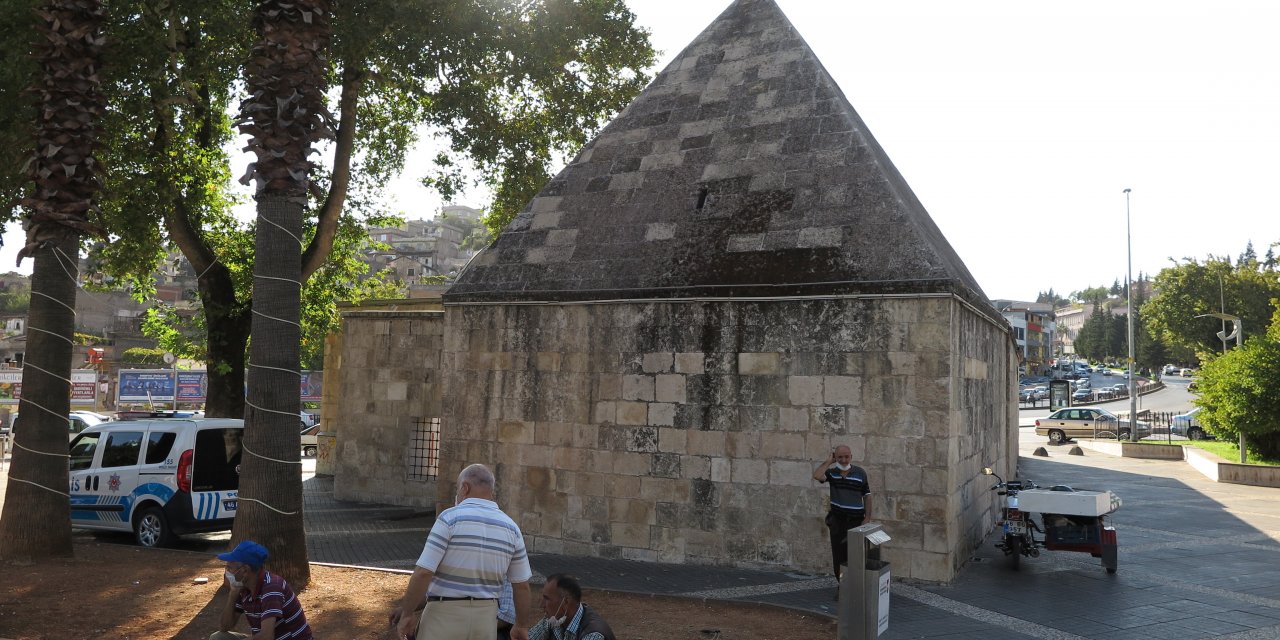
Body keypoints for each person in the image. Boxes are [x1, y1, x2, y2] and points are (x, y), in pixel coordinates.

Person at [393, 463, 533, 640]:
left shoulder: (449, 518)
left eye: (457, 489)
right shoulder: (512, 528)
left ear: (465, 487)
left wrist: (407, 612)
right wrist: (521, 625)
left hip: (443, 616)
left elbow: (423, 572)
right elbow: (521, 585)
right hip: (486, 620)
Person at [210, 540, 312, 640]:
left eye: (229, 568)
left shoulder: (272, 588)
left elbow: (267, 636)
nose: (227, 572)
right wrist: (233, 594)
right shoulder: (243, 587)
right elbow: (224, 627)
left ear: (245, 570)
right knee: (218, 637)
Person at [813, 445, 872, 583]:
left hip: (856, 521)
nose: (844, 460)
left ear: (851, 456)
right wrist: (829, 461)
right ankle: (842, 586)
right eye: (840, 457)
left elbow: (867, 496)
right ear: (835, 457)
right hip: (837, 521)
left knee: (854, 555)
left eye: (846, 456)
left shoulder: (860, 473)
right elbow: (817, 476)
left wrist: (867, 517)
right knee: (838, 556)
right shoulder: (832, 473)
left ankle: (855, 586)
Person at [527, 574, 614, 640]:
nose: (541, 604)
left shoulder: (593, 634)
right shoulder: (553, 620)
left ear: (565, 602)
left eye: (547, 599)